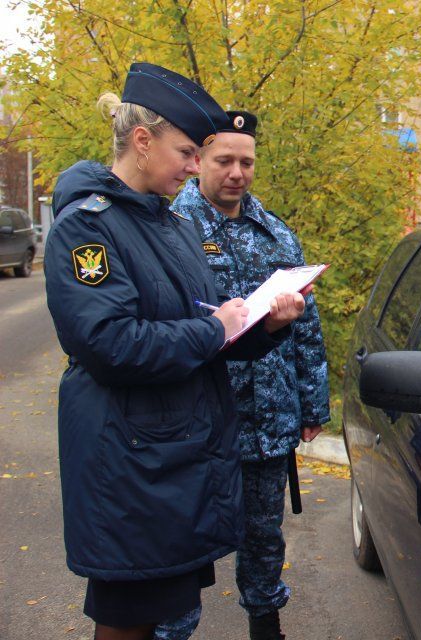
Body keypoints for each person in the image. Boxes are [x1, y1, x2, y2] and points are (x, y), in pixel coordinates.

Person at [44, 63, 309, 640]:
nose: (195, 167)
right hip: (128, 463)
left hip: (173, 458)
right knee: (128, 620)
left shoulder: (168, 223)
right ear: (142, 141)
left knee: (155, 609)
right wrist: (214, 330)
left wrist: (261, 327)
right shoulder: (87, 229)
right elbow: (108, 343)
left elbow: (198, 328)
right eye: (188, 151)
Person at [158, 110, 329, 640]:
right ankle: (171, 630)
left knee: (263, 536)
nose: (236, 172)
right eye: (224, 160)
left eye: (246, 162)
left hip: (269, 421)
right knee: (181, 541)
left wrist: (312, 405)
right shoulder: (168, 230)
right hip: (197, 423)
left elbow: (307, 330)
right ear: (198, 160)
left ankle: (266, 625)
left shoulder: (276, 232)